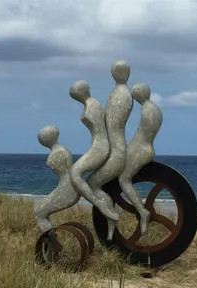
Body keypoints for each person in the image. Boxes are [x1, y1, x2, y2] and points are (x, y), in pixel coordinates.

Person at [87, 60, 134, 240]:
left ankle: (111, 218)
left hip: (116, 152)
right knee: (95, 184)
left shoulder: (120, 95)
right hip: (116, 149)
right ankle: (110, 223)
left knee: (92, 184)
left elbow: (112, 127)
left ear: (113, 73)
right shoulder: (121, 93)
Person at [69, 80, 120, 225]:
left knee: (75, 174)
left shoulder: (92, 106)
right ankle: (107, 212)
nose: (76, 98)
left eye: (75, 95)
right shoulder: (93, 104)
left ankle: (100, 205)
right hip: (99, 145)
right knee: (91, 183)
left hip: (100, 147)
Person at [118, 83, 163, 235]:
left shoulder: (146, 110)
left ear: (138, 96)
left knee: (123, 179)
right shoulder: (156, 109)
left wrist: (126, 150)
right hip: (149, 148)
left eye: (134, 95)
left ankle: (142, 211)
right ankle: (141, 207)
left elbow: (140, 135)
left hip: (140, 150)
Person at [33, 125, 80, 259]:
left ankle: (54, 244)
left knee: (39, 213)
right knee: (41, 212)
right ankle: (52, 243)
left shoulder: (56, 153)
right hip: (69, 186)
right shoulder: (64, 150)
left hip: (66, 189)